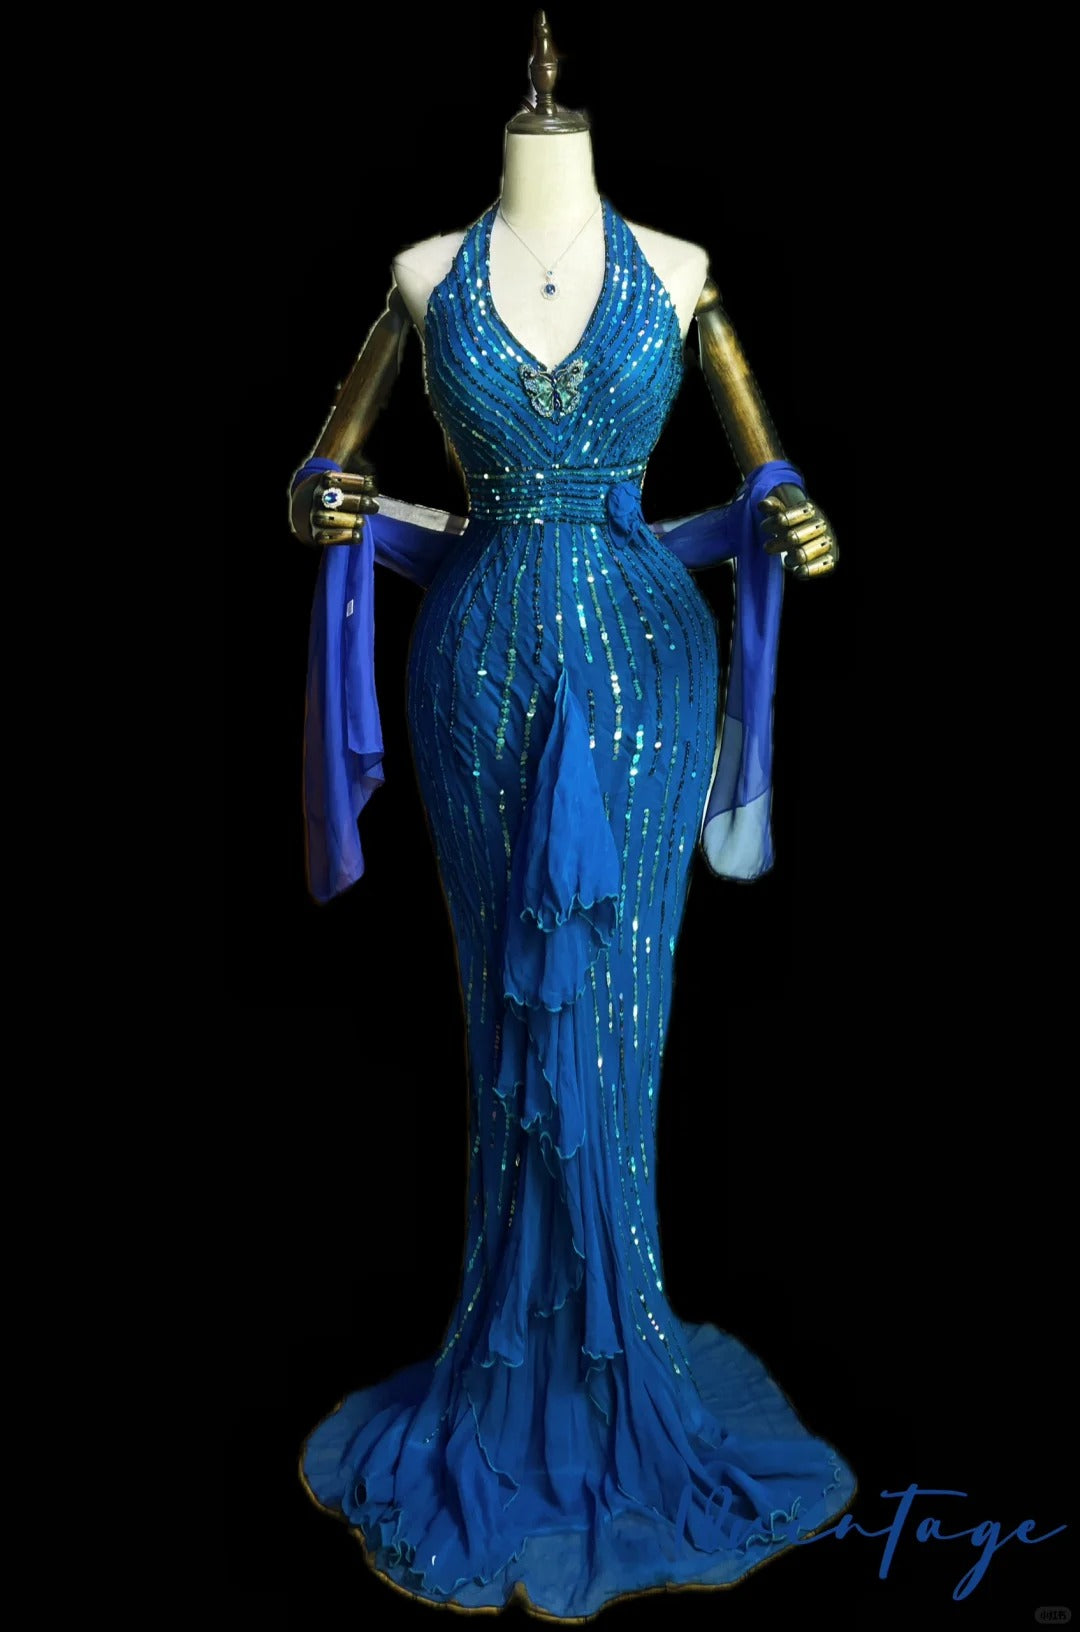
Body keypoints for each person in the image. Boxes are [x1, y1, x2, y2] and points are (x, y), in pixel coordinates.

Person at [291, 14, 850, 1618]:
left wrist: (794, 515)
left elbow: (770, 471)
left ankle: (621, 1343)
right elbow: (321, 470)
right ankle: (513, 1346)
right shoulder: (422, 276)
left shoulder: (682, 270)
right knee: (506, 1012)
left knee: (616, 1012)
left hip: (643, 677)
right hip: (477, 669)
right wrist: (320, 499)